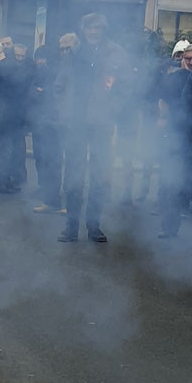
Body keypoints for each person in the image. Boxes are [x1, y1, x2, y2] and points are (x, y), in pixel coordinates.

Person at [58, 13, 130, 242]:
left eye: (97, 28)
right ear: (84, 29)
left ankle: (93, 225)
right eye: (89, 28)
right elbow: (60, 82)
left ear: (103, 30)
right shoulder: (72, 52)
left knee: (99, 177)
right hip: (76, 121)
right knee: (73, 176)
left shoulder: (116, 53)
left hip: (101, 122)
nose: (93, 32)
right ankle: (71, 226)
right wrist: (62, 109)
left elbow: (126, 86)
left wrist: (113, 109)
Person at [157, 42, 192, 238]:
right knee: (173, 186)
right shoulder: (174, 78)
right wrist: (162, 119)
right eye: (188, 59)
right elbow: (162, 99)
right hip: (177, 138)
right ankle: (169, 228)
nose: (191, 62)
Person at [0, 42, 35, 194]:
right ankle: (3, 181)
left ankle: (10, 179)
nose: (20, 58)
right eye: (17, 55)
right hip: (7, 116)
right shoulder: (5, 67)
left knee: (17, 150)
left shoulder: (25, 68)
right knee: (6, 150)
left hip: (19, 116)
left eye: (22, 56)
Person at [30, 44, 62, 212]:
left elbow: (54, 95)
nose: (40, 62)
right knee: (40, 156)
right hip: (39, 121)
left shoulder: (55, 72)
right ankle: (44, 188)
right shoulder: (37, 72)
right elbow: (31, 91)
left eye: (42, 59)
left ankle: (54, 196)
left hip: (54, 122)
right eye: (38, 59)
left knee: (53, 160)